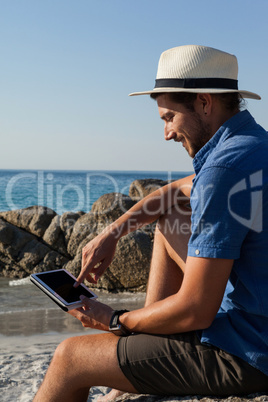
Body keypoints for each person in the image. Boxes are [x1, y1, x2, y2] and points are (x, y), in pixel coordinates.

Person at [33, 45, 268, 402]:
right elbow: (175, 193)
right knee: (171, 216)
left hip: (250, 350)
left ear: (204, 103)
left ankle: (132, 349)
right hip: (256, 322)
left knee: (69, 359)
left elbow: (197, 309)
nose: (166, 134)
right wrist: (113, 232)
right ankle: (139, 352)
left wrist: (116, 320)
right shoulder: (252, 145)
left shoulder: (224, 169)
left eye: (168, 118)